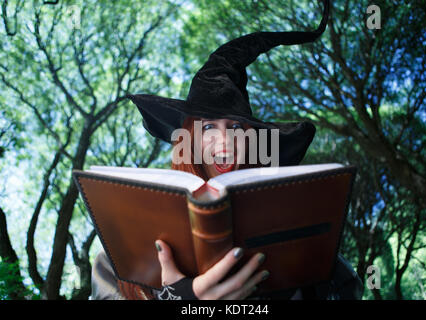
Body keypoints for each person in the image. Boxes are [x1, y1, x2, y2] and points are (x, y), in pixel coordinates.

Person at [90, 0, 363, 300]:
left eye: (236, 128)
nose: (225, 141)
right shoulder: (123, 248)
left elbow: (346, 288)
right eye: (207, 128)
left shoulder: (300, 235)